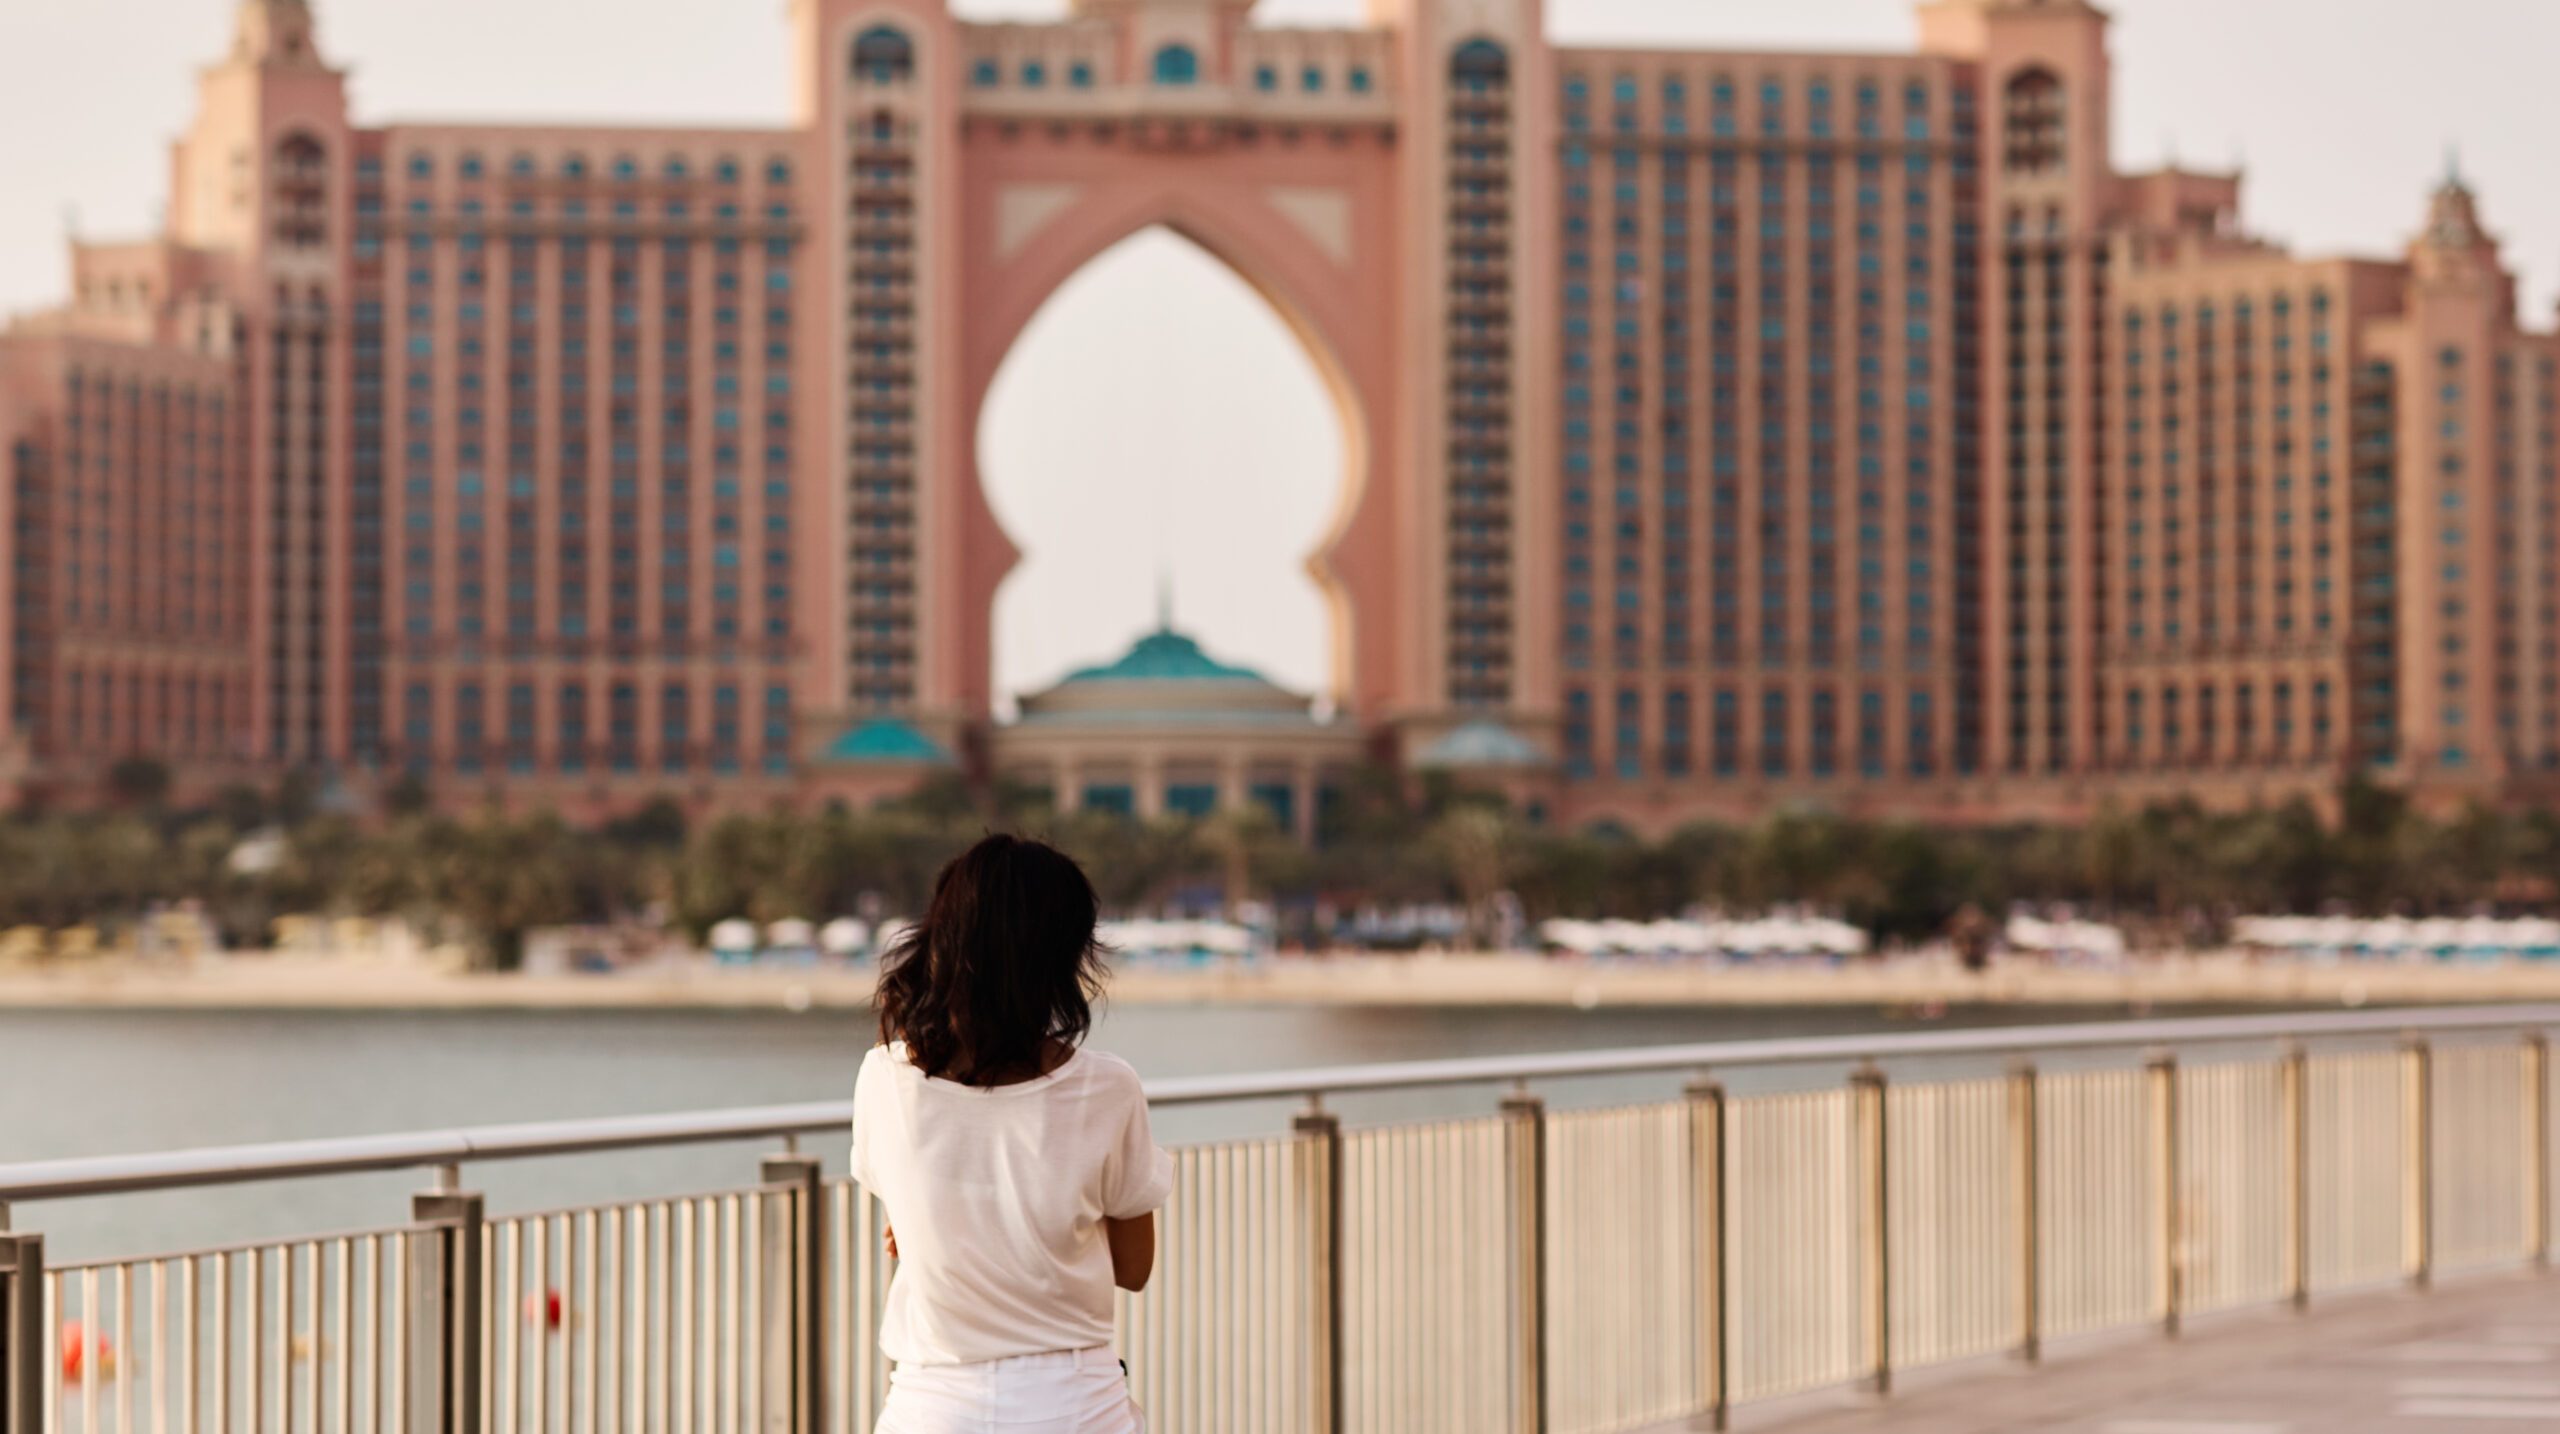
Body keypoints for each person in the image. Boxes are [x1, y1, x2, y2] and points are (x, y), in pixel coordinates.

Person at [853, 833, 1172, 1433]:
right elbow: (1133, 1267)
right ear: (1063, 956)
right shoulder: (1107, 1087)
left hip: (932, 1406)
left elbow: (905, 1230)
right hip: (1075, 1405)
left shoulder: (883, 1078)